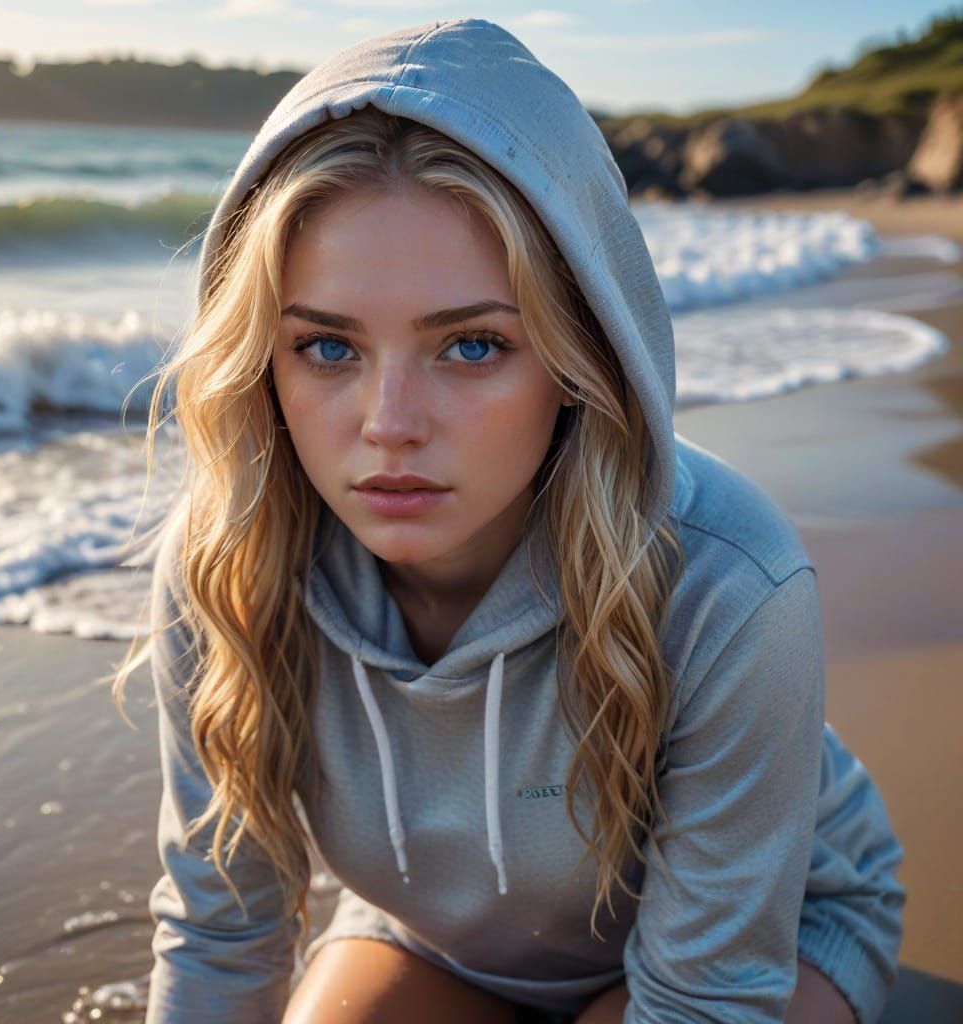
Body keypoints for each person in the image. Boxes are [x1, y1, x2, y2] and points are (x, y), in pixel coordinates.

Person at [113, 17, 906, 1024]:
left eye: (473, 346)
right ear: (262, 359)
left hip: (762, 944)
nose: (389, 426)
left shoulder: (730, 585)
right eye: (326, 348)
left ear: (581, 358)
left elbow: (705, 1001)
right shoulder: (224, 565)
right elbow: (221, 933)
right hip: (442, 939)